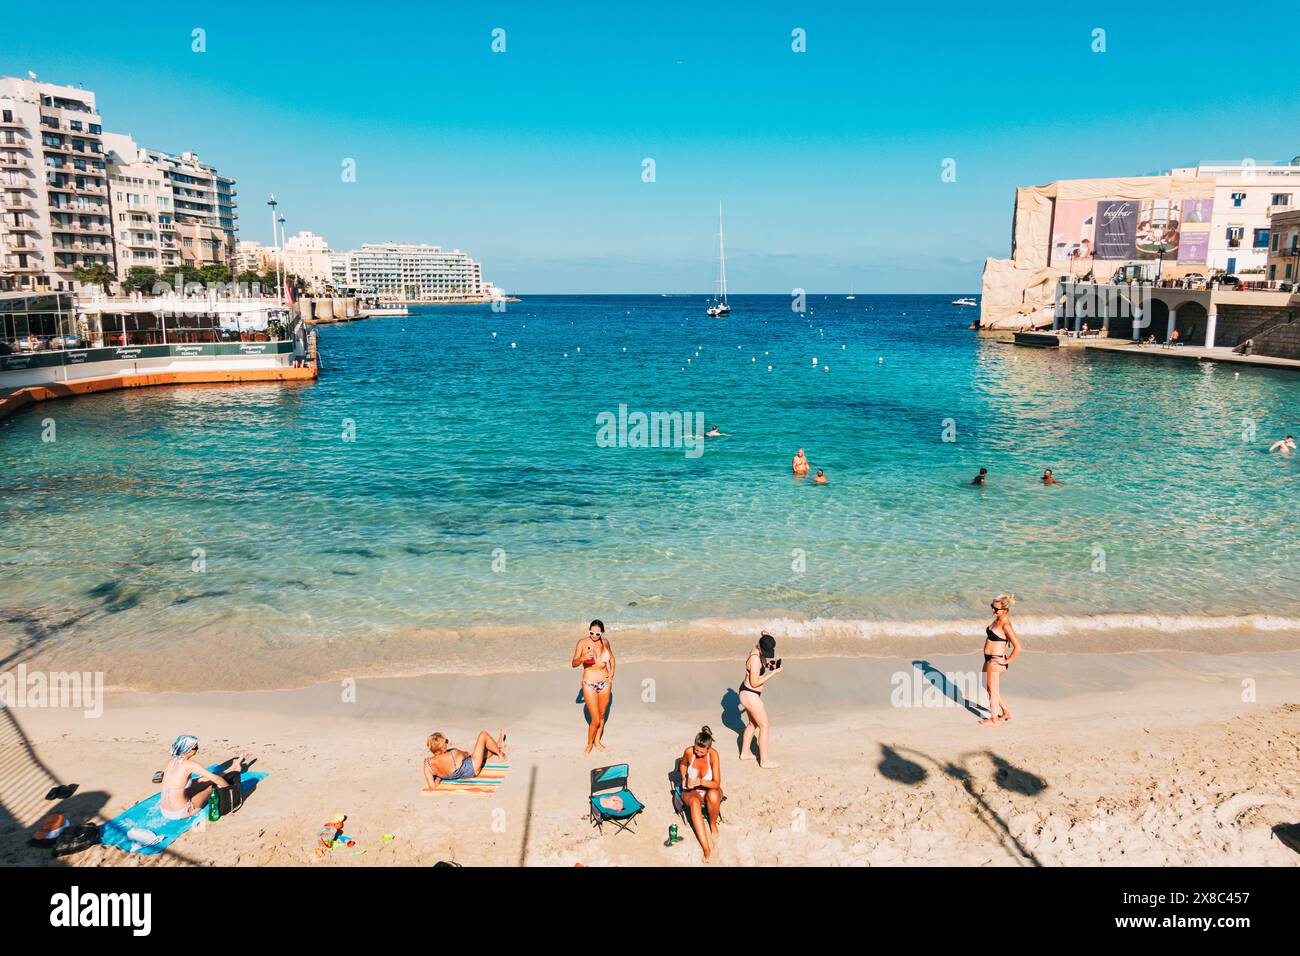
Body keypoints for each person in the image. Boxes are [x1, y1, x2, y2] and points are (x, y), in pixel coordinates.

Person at [159, 735, 245, 821]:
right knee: (212, 788)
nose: (197, 749)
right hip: (181, 812)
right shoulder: (190, 765)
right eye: (195, 748)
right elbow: (216, 779)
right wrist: (229, 788)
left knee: (202, 780)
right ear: (188, 750)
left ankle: (231, 769)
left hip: (164, 810)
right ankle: (233, 769)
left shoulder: (172, 761)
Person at [678, 726, 724, 862]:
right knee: (694, 802)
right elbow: (683, 764)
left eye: (702, 752)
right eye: (696, 750)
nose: (698, 754)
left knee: (714, 795)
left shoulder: (713, 755)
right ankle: (706, 848)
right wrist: (684, 777)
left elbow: (716, 783)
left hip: (709, 788)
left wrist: (700, 781)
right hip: (692, 791)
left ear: (708, 749)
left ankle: (713, 824)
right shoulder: (688, 752)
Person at [738, 632, 782, 767]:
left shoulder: (757, 649)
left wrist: (766, 635)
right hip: (750, 694)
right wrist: (773, 673)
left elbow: (759, 668)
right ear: (761, 648)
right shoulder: (755, 659)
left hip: (748, 694)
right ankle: (764, 761)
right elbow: (755, 682)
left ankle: (745, 753)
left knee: (753, 724)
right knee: (765, 725)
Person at [571, 619, 615, 753]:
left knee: (602, 715)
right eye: (591, 633)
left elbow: (612, 658)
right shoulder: (582, 643)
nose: (594, 636)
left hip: (605, 683)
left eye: (597, 634)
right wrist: (583, 658)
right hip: (589, 683)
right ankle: (589, 744)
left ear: (602, 632)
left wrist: (612, 672)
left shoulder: (605, 642)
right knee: (595, 719)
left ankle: (597, 741)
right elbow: (574, 663)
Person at [980, 595, 1022, 725]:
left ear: (1005, 610)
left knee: (992, 689)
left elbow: (1018, 647)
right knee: (989, 688)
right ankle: (1006, 713)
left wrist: (1006, 661)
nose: (993, 610)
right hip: (989, 659)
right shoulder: (997, 619)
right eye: (992, 607)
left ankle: (993, 719)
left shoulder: (1005, 625)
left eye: (996, 609)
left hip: (996, 661)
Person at [422, 730, 507, 791]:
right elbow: (467, 754)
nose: (447, 743)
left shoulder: (427, 763)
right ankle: (500, 754)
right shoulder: (453, 754)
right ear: (442, 747)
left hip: (463, 773)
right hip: (473, 769)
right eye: (446, 742)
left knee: (484, 753)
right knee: (483, 735)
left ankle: (497, 745)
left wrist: (439, 777)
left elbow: (432, 787)